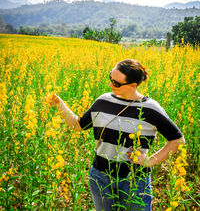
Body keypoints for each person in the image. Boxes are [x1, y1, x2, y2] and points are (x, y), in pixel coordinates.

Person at [49, 59, 185, 211]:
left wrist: (150, 161)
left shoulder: (151, 109)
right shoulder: (103, 101)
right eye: (110, 79)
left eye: (117, 83)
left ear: (133, 85)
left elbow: (177, 140)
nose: (110, 85)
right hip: (100, 176)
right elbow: (77, 125)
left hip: (134, 180)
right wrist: (59, 104)